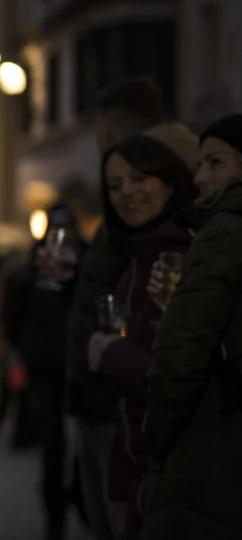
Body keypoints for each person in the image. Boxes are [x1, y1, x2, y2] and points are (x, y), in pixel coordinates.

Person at [66, 79, 198, 540]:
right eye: (116, 185)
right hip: (125, 433)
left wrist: (105, 352)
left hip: (159, 452)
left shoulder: (181, 255)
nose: (127, 193)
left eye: (140, 180)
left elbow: (174, 373)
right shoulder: (138, 249)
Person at [143, 114, 242, 540]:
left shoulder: (224, 230)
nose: (200, 177)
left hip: (212, 452)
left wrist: (157, 441)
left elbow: (180, 357)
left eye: (215, 163)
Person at [1, 205, 82, 540]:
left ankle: (76, 496)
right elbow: (11, 321)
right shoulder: (26, 276)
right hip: (44, 372)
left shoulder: (84, 272)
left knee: (85, 445)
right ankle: (56, 520)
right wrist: (27, 352)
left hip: (82, 372)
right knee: (53, 448)